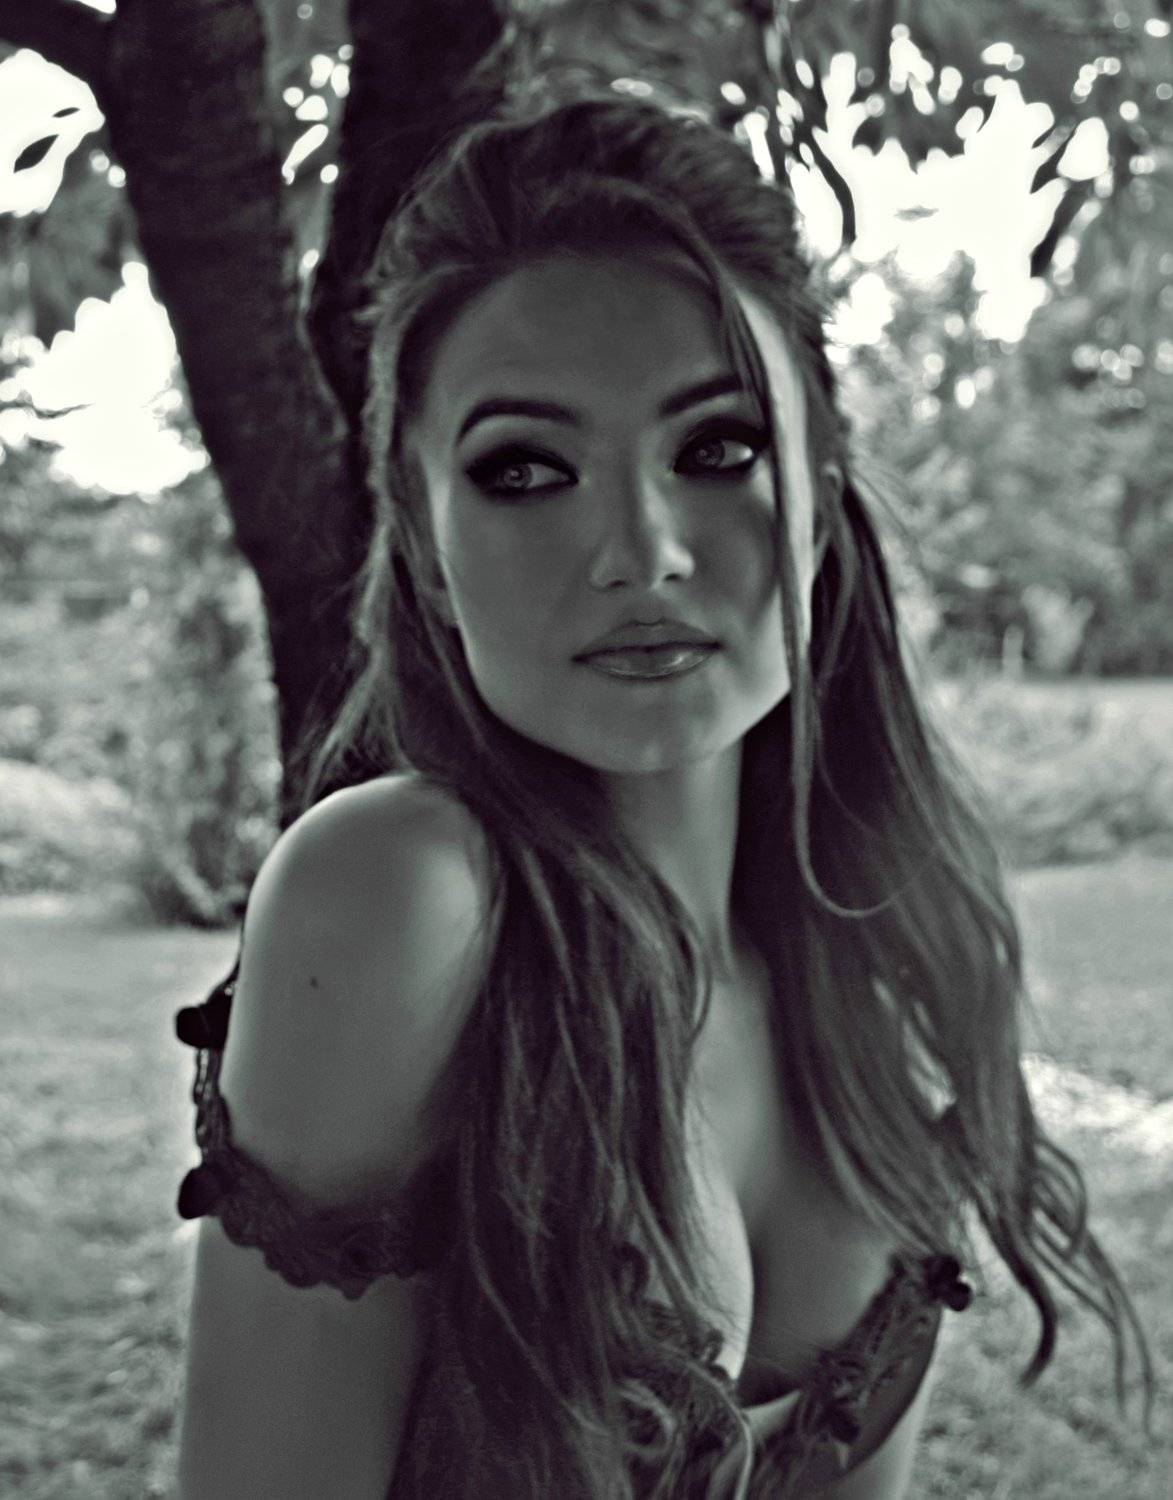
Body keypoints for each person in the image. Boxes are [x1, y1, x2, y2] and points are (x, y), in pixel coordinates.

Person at [172, 93, 1151, 1499]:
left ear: (821, 488)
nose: (640, 552)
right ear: (427, 543)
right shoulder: (397, 895)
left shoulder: (873, 960)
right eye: (525, 471)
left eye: (716, 450)